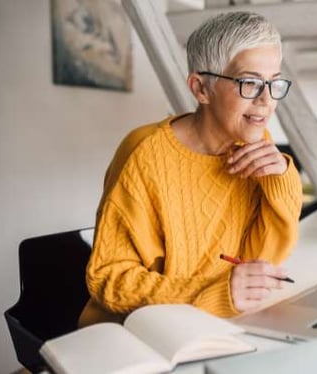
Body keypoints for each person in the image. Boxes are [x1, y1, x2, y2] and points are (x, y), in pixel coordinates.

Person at [78, 11, 303, 327]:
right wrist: (212, 293)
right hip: (132, 331)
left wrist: (282, 178)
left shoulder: (252, 145)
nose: (266, 100)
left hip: (208, 324)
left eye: (274, 82)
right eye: (249, 83)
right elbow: (109, 280)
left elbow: (262, 260)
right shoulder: (144, 153)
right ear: (201, 89)